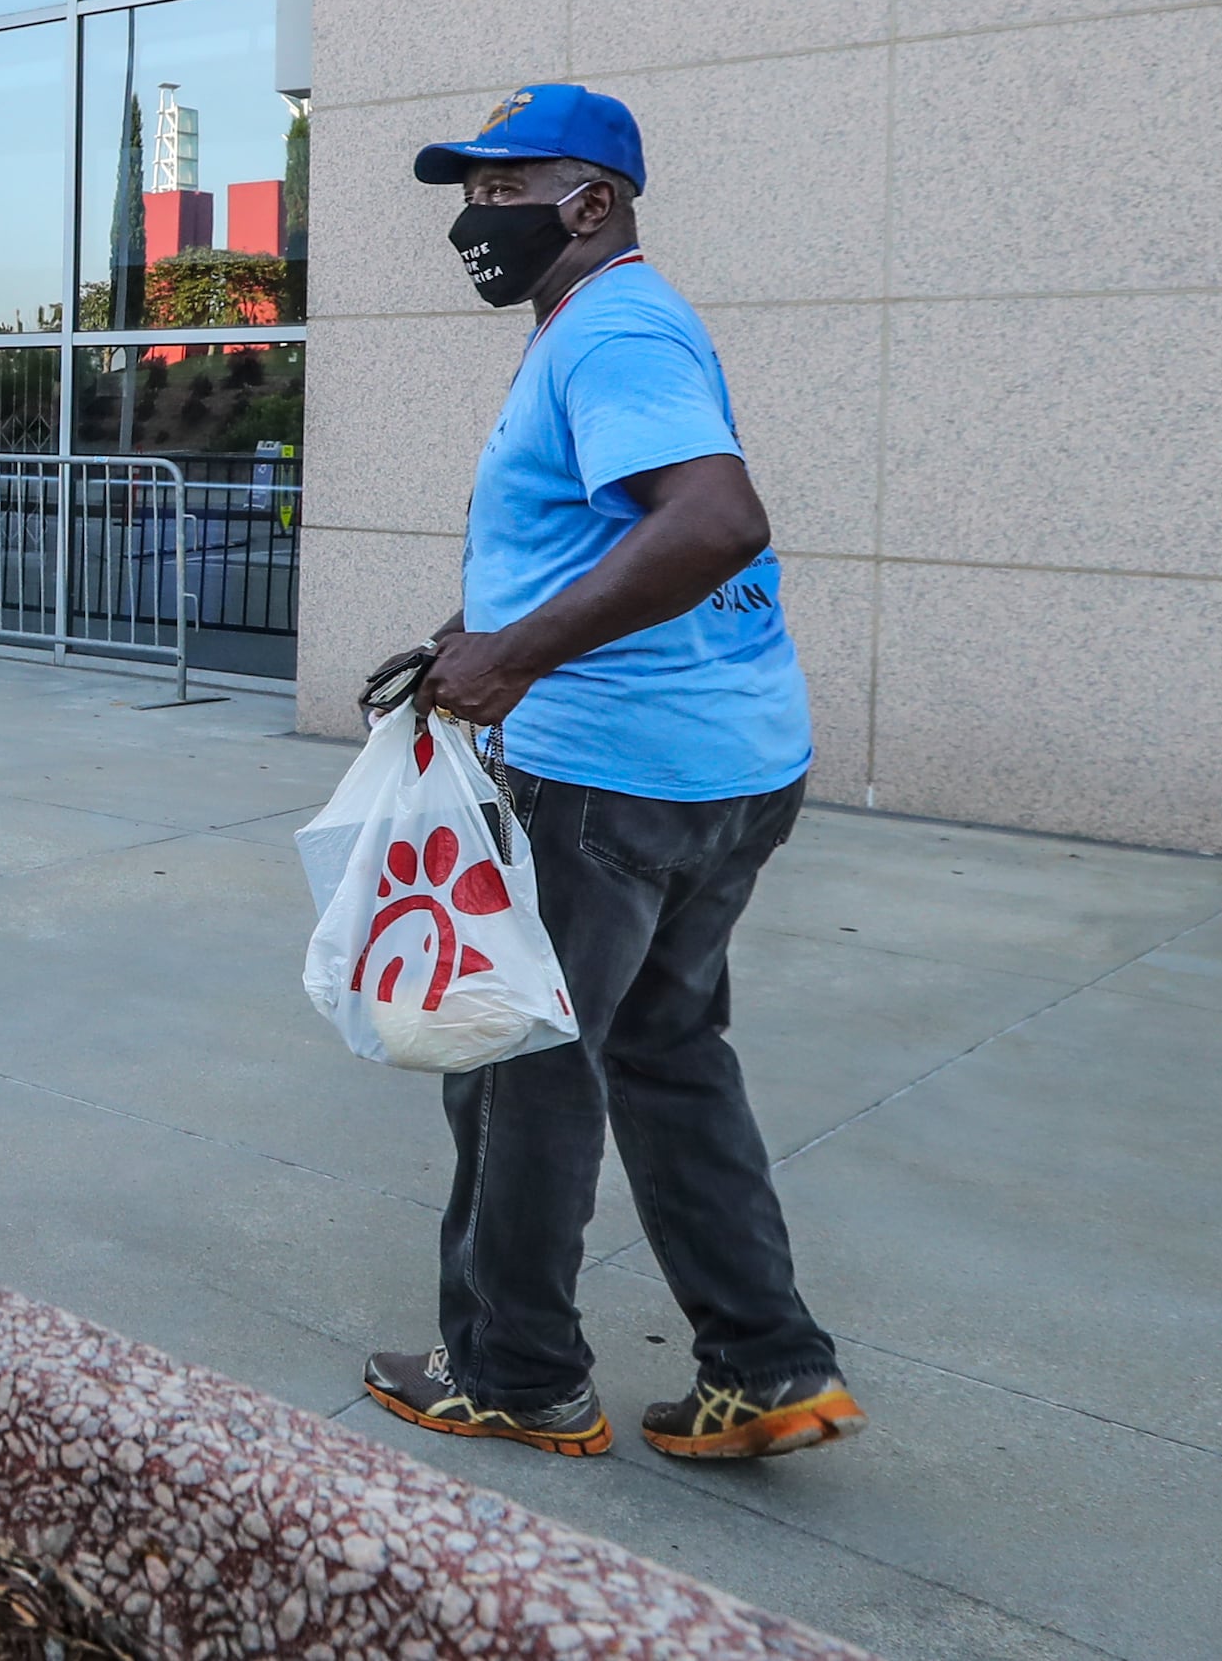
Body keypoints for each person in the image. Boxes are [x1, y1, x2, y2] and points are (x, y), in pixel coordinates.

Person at [359, 83, 863, 1463]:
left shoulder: (617, 326)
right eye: (468, 192)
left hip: (607, 786)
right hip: (730, 766)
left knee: (522, 1065)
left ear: (593, 205)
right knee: (666, 1051)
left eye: (508, 191)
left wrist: (517, 654)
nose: (477, 217)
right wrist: (488, 624)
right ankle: (768, 1368)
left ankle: (514, 1373)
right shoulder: (614, 326)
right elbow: (634, 531)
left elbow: (713, 521)